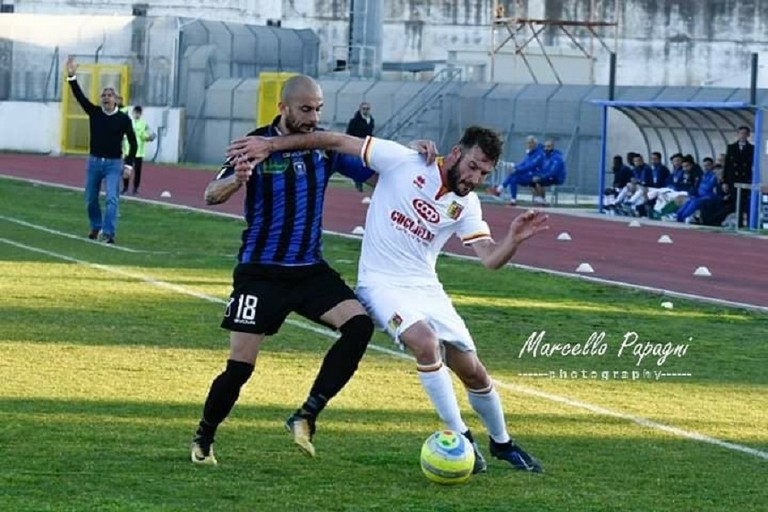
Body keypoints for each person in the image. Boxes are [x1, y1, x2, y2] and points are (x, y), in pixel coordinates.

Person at [227, 125, 549, 474]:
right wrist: (270, 144)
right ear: (456, 153)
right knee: (426, 344)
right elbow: (334, 140)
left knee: (473, 371)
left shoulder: (467, 204)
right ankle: (461, 438)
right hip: (380, 284)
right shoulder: (404, 161)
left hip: (426, 288)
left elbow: (489, 258)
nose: (475, 178)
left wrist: (514, 239)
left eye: (484, 173)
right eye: (472, 167)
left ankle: (502, 443)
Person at [191, 75, 435, 466]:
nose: (313, 116)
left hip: (309, 271)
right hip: (260, 273)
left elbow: (382, 175)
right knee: (239, 368)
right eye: (306, 109)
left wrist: (414, 157)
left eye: (319, 109)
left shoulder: (324, 149)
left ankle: (306, 414)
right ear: (283, 108)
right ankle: (204, 435)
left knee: (358, 327)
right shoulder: (254, 144)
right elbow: (211, 194)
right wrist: (237, 180)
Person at [65, 55, 137, 245]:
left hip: (114, 164)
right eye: (104, 95)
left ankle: (109, 233)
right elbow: (79, 96)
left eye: (110, 95)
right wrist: (71, 77)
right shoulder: (95, 113)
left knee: (112, 199)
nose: (106, 98)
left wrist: (129, 165)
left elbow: (133, 142)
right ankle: (96, 226)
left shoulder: (123, 119)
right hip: (95, 162)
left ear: (116, 100)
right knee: (90, 199)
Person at [490, 135, 545, 206]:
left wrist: (516, 169)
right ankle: (512, 200)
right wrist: (514, 166)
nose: (528, 145)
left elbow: (530, 166)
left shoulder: (539, 154)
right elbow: (523, 163)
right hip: (527, 174)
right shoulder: (530, 154)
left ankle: (499, 190)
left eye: (530, 143)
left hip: (535, 175)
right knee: (513, 178)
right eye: (527, 143)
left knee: (514, 174)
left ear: (534, 143)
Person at [724, 126, 754, 227]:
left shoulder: (751, 148)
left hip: (745, 179)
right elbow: (727, 165)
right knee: (734, 201)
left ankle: (741, 223)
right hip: (733, 179)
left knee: (743, 202)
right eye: (741, 133)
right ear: (737, 134)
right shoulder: (731, 147)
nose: (743, 136)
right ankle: (735, 222)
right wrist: (725, 181)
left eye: (745, 134)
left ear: (748, 135)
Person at [121, 106, 156, 195]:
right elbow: (123, 135)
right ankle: (125, 188)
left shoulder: (143, 124)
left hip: (139, 152)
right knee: (126, 171)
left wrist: (149, 138)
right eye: (135, 113)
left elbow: (144, 136)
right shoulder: (129, 122)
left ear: (141, 114)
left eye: (138, 113)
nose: (137, 115)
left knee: (138, 172)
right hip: (129, 151)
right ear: (133, 113)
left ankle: (135, 189)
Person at [345, 102, 375, 192]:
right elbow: (349, 132)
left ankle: (361, 181)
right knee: (357, 164)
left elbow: (370, 133)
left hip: (366, 144)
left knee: (365, 163)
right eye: (364, 109)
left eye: (367, 109)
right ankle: (358, 182)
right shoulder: (354, 121)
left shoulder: (371, 120)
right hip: (356, 144)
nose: (366, 110)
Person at [532, 139, 566, 204]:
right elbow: (539, 147)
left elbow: (553, 172)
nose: (546, 148)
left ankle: (542, 199)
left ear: (552, 147)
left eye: (548, 146)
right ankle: (539, 198)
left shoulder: (557, 158)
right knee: (531, 180)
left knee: (538, 181)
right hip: (547, 175)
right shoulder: (546, 156)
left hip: (556, 177)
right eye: (545, 146)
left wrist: (542, 177)